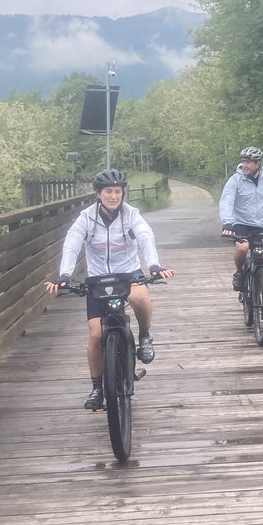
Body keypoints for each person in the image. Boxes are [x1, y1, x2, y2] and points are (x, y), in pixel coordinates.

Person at [45, 168, 174, 412]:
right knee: (95, 334)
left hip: (128, 272)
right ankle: (97, 388)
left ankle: (144, 335)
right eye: (108, 191)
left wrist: (154, 264)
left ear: (123, 193)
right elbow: (72, 243)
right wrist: (65, 274)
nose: (114, 196)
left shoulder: (131, 215)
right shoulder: (86, 217)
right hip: (98, 277)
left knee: (140, 297)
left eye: (118, 191)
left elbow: (146, 237)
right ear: (98, 194)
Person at [219, 146, 263, 291]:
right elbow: (227, 201)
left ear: (258, 163)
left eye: (249, 162)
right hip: (241, 223)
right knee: (242, 248)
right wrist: (227, 222)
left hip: (262, 224)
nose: (245, 165)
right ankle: (239, 273)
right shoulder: (235, 180)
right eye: (243, 161)